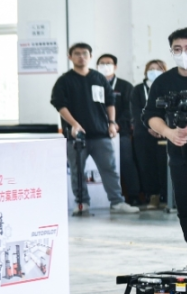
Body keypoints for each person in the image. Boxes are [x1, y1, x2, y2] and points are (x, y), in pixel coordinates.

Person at [51, 42, 139, 215]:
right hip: (77, 136)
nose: (81, 57)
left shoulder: (99, 78)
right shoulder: (64, 81)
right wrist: (74, 124)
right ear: (70, 57)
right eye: (77, 53)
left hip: (101, 134)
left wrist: (111, 123)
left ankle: (117, 202)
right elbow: (59, 105)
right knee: (77, 172)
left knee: (109, 169)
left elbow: (110, 102)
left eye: (84, 53)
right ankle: (82, 203)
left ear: (90, 56)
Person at [143, 27, 187, 269]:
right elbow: (150, 115)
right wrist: (168, 132)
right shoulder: (163, 82)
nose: (183, 53)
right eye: (177, 49)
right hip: (180, 157)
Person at [97, 54, 139, 204]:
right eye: (102, 63)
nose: (105, 66)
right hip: (97, 132)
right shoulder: (92, 84)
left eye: (108, 63)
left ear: (115, 66)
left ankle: (133, 195)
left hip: (121, 131)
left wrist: (116, 124)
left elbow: (130, 110)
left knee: (126, 161)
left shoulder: (125, 86)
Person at [131, 59, 169, 209]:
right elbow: (136, 111)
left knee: (164, 165)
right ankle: (152, 196)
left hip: (165, 133)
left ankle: (166, 196)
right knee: (147, 165)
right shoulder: (138, 89)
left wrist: (162, 128)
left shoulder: (168, 87)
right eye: (151, 69)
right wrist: (150, 126)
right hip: (143, 133)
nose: (154, 71)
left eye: (158, 69)